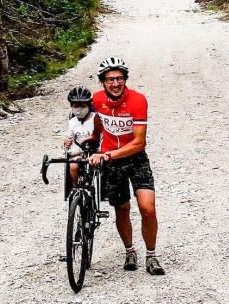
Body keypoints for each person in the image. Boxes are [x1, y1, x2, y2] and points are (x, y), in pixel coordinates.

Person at [88, 57, 165, 275]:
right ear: (103, 82)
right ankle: (129, 251)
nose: (115, 83)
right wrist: (93, 138)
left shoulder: (138, 100)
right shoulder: (96, 99)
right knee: (121, 209)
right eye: (110, 79)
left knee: (147, 208)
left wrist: (109, 154)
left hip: (135, 159)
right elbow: (95, 119)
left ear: (125, 80)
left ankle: (151, 255)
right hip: (111, 163)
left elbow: (139, 141)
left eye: (119, 78)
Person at [63, 86, 100, 187]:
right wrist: (66, 143)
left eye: (82, 106)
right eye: (75, 106)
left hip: (94, 152)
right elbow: (69, 137)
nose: (79, 109)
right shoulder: (72, 122)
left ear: (88, 105)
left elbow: (100, 135)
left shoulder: (95, 118)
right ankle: (75, 187)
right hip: (79, 152)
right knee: (73, 166)